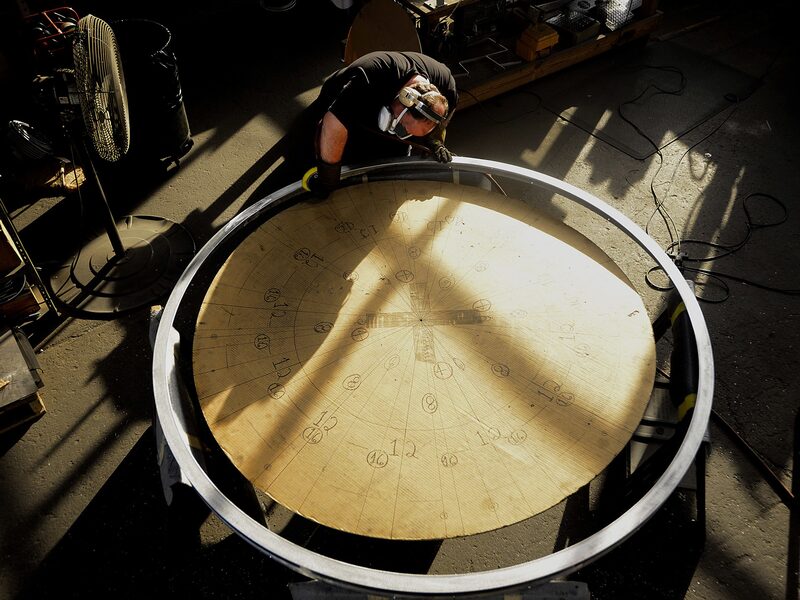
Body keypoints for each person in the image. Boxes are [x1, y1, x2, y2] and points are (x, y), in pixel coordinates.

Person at [303, 50, 459, 196]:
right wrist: (328, 179)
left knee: (391, 164)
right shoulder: (373, 74)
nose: (403, 135)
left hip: (386, 106)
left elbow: (441, 124)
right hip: (342, 100)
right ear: (403, 100)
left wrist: (434, 140)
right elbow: (333, 124)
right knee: (334, 153)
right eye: (403, 127)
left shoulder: (447, 88)